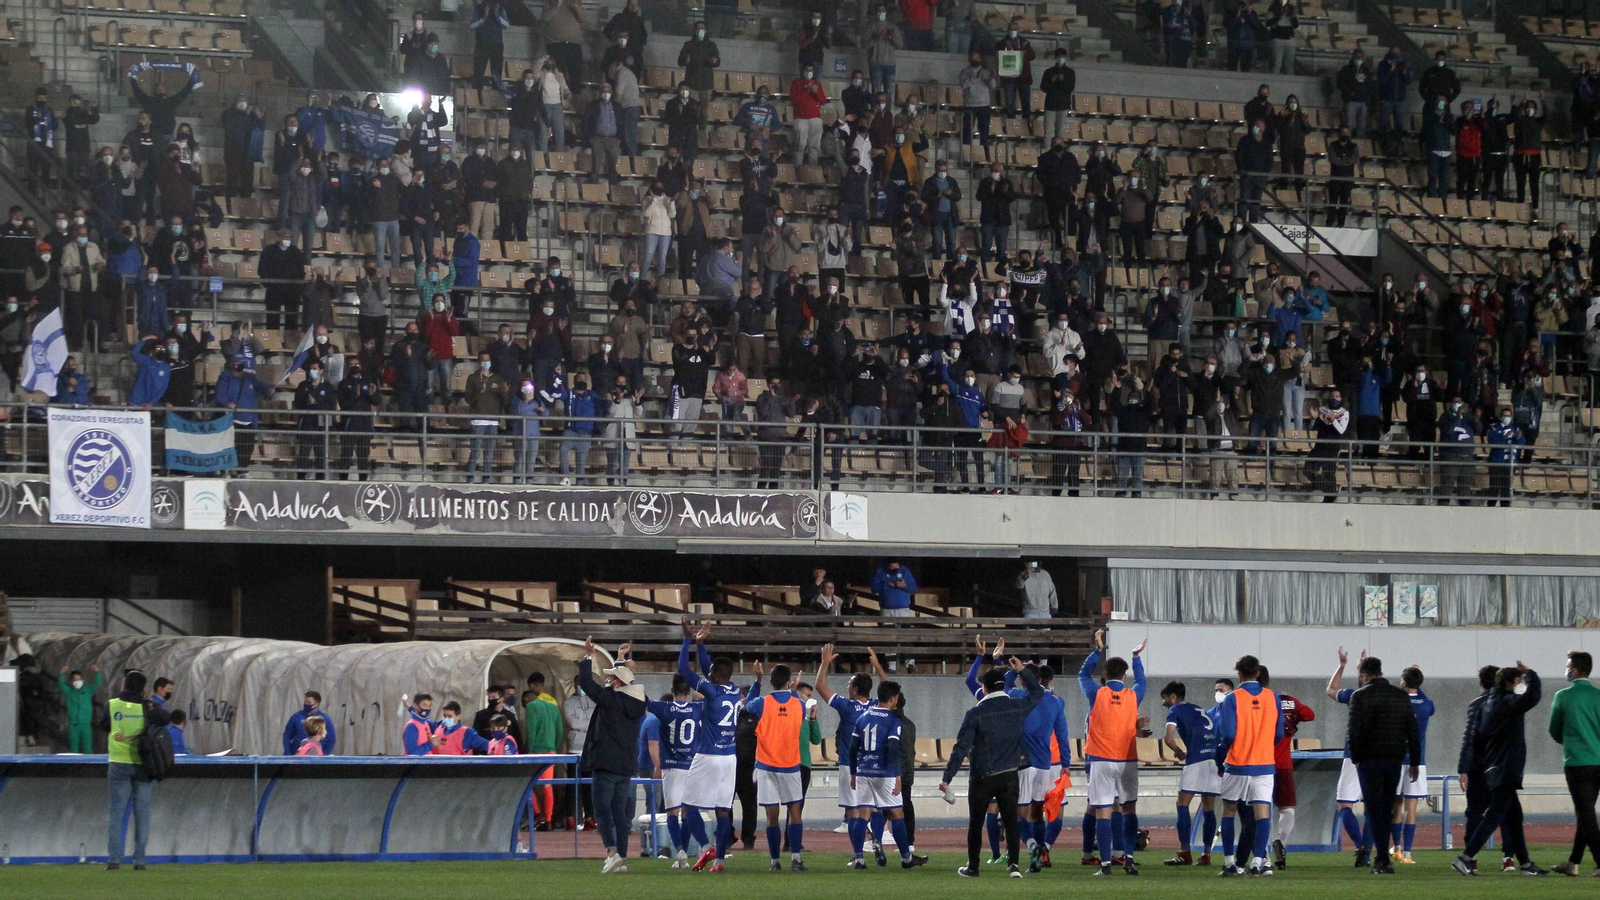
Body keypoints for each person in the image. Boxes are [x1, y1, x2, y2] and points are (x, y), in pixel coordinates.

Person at [940, 649, 1042, 878]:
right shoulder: (1017, 706)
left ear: (984, 688)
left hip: (982, 776)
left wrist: (947, 777)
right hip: (1009, 774)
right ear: (1002, 687)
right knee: (1012, 821)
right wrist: (1022, 670)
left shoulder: (975, 712)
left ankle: (973, 867)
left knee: (976, 823)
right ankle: (1014, 866)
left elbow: (961, 748)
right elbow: (1037, 692)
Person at [1453, 662, 1546, 876]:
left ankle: (1525, 864)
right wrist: (1530, 673)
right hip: (1506, 766)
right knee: (1494, 815)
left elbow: (1474, 738)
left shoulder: (1488, 704)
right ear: (1509, 683)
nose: (1519, 684)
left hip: (1494, 765)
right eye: (1517, 681)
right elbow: (1532, 697)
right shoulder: (1508, 702)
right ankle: (1465, 858)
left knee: (1514, 817)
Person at [678, 621, 752, 872]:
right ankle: (719, 861)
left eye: (711, 674)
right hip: (729, 757)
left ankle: (705, 845)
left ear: (717, 677)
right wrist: (701, 644)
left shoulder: (711, 690)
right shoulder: (732, 690)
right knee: (723, 810)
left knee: (687, 805)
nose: (707, 674)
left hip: (708, 754)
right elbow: (711, 667)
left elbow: (683, 670)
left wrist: (687, 640)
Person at [1078, 628, 1148, 875]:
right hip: (1127, 760)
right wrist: (1136, 657)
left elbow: (1083, 673)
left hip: (1101, 760)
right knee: (1129, 808)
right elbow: (1143, 682)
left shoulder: (1097, 693)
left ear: (1105, 675)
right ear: (1125, 675)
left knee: (1103, 810)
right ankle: (1128, 858)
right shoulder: (1133, 695)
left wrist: (1097, 649)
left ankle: (1106, 864)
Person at [576, 637, 647, 874]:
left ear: (616, 683)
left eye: (611, 678)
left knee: (602, 811)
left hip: (605, 764)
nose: (607, 680)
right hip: (626, 765)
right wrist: (621, 660)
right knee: (620, 815)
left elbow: (586, 681)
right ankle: (622, 859)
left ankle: (611, 852)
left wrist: (588, 656)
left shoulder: (609, 700)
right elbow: (624, 685)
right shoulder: (637, 703)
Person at [1343, 655, 1419, 875]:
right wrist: (1414, 761)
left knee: (1374, 809)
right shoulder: (1400, 696)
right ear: (1381, 673)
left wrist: (1356, 759)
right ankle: (1384, 858)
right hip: (1394, 759)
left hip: (1369, 760)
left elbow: (1353, 733)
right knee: (1386, 808)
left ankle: (1381, 858)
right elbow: (1412, 731)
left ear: (1364, 675)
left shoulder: (1359, 697)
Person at [848, 679, 929, 870]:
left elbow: (853, 748)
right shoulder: (893, 720)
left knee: (863, 814)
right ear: (893, 698)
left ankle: (859, 858)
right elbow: (893, 747)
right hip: (884, 772)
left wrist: (853, 772)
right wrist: (897, 775)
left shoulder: (863, 717)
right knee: (896, 813)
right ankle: (906, 857)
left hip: (863, 771)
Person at [1215, 654, 1281, 877]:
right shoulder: (1272, 697)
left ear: (1239, 673)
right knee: (1263, 815)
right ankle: (1259, 861)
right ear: (1258, 672)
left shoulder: (1233, 698)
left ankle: (1230, 862)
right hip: (1264, 765)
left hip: (1238, 763)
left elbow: (1228, 733)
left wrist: (1230, 747)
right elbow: (1279, 733)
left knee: (1229, 811)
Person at [742, 663, 810, 871]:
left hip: (766, 766)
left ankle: (775, 862)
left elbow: (746, 706)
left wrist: (757, 680)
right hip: (790, 765)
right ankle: (796, 859)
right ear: (790, 682)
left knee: (772, 816)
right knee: (795, 812)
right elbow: (797, 706)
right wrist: (794, 691)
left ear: (771, 682)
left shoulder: (762, 703)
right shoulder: (799, 705)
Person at [106, 670, 170, 870]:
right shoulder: (148, 707)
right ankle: (139, 860)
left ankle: (115, 859)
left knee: (116, 813)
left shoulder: (112, 704)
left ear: (124, 684)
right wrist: (149, 701)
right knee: (142, 813)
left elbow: (103, 724)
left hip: (118, 762)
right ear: (143, 688)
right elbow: (166, 718)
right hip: (143, 766)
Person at [1550, 651, 1600, 876]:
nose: (1567, 669)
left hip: (1577, 762)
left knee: (1586, 814)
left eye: (1569, 666)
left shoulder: (1563, 696)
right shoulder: (1598, 696)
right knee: (1585, 812)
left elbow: (1554, 729)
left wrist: (1569, 740)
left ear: (1576, 670)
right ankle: (1573, 862)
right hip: (1598, 760)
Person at [1257, 666, 1313, 869]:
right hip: (1283, 765)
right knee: (1287, 809)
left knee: (1260, 812)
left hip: (1258, 764)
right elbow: (1310, 715)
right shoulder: (1285, 700)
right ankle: (1281, 840)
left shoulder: (1252, 701)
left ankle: (1262, 857)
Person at [1161, 680, 1219, 866]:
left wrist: (1178, 752)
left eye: (1165, 699)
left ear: (1173, 697)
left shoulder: (1175, 710)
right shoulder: (1199, 709)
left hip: (1196, 760)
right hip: (1214, 758)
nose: (1164, 703)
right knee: (1208, 806)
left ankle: (1185, 852)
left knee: (1182, 803)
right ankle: (1206, 855)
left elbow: (1168, 739)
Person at [58, 663, 103, 753]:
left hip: (85, 724)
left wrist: (97, 672)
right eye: (75, 679)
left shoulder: (87, 690)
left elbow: (97, 683)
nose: (77, 681)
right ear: (71, 681)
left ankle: (89, 765)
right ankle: (75, 766)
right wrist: (61, 674)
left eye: (79, 679)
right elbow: (61, 684)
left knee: (87, 747)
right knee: (74, 748)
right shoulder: (69, 692)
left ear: (83, 679)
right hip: (73, 724)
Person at [282, 690, 336, 755]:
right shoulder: (296, 717)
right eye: (305, 702)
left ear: (317, 704)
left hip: (316, 756)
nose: (306, 704)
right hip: (296, 756)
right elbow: (287, 735)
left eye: (309, 702)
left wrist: (323, 756)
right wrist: (288, 754)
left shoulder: (324, 719)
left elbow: (331, 740)